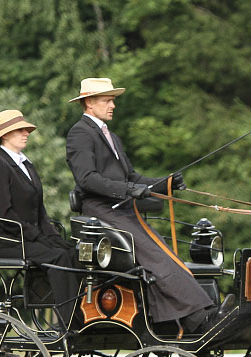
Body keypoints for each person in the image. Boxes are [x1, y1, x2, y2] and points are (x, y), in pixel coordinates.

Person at [65, 77, 221, 335]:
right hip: (103, 213)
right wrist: (127, 190)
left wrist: (165, 184)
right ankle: (195, 317)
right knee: (155, 257)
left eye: (113, 100)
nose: (113, 105)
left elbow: (133, 178)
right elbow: (87, 179)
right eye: (108, 100)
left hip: (124, 212)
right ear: (90, 103)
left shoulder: (111, 136)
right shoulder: (79, 133)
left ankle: (195, 312)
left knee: (165, 252)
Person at [0, 109, 78, 328]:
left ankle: (79, 315)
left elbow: (39, 210)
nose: (26, 132)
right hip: (4, 240)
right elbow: (2, 212)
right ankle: (67, 323)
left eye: (26, 129)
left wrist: (53, 238)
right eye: (20, 130)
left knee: (71, 253)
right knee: (58, 259)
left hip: (26, 237)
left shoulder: (27, 165)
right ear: (5, 135)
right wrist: (36, 236)